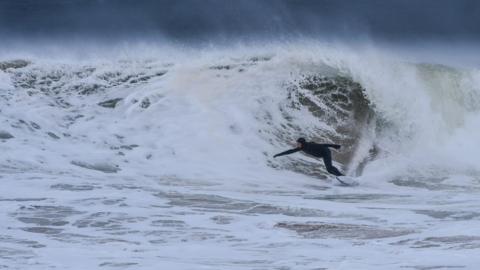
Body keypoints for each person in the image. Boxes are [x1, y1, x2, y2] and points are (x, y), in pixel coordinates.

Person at [273, 137, 344, 176]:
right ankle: (340, 177)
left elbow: (323, 145)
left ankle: (342, 176)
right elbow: (290, 151)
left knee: (330, 167)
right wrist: (278, 155)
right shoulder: (301, 148)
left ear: (302, 143)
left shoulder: (309, 145)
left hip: (325, 152)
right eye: (297, 143)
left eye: (298, 143)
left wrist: (335, 146)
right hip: (322, 154)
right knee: (329, 170)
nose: (297, 144)